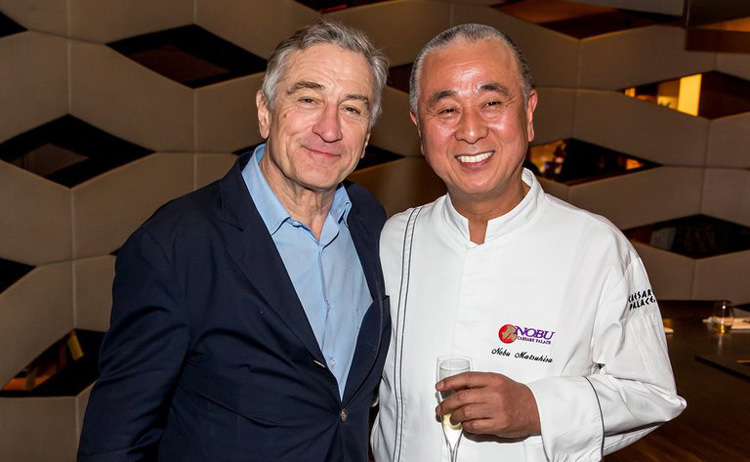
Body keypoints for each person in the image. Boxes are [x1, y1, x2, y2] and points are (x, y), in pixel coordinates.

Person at [78, 20, 390, 462]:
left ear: (367, 137)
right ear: (265, 111)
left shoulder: (371, 223)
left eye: (352, 109)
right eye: (308, 99)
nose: (330, 128)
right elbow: (116, 442)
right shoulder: (175, 245)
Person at [371, 24, 685, 462]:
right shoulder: (392, 240)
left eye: (492, 103)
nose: (471, 130)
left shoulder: (596, 246)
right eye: (446, 110)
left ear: (529, 112)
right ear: (419, 127)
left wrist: (538, 408)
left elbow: (651, 394)